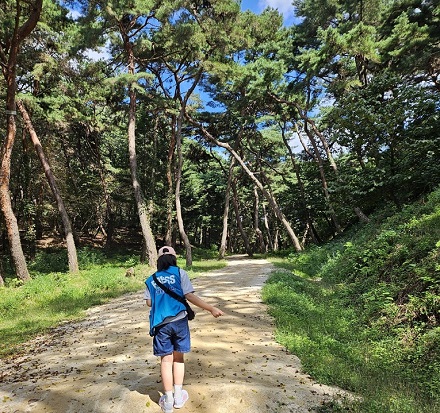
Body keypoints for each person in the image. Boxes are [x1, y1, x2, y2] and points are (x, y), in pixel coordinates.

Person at [144, 246, 224, 413]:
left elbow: (149, 303)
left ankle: (167, 402)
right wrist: (211, 309)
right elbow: (189, 295)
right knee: (178, 359)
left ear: (158, 260)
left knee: (165, 362)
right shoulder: (180, 273)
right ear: (174, 258)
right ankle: (179, 397)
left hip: (161, 325)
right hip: (179, 322)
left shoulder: (151, 279)